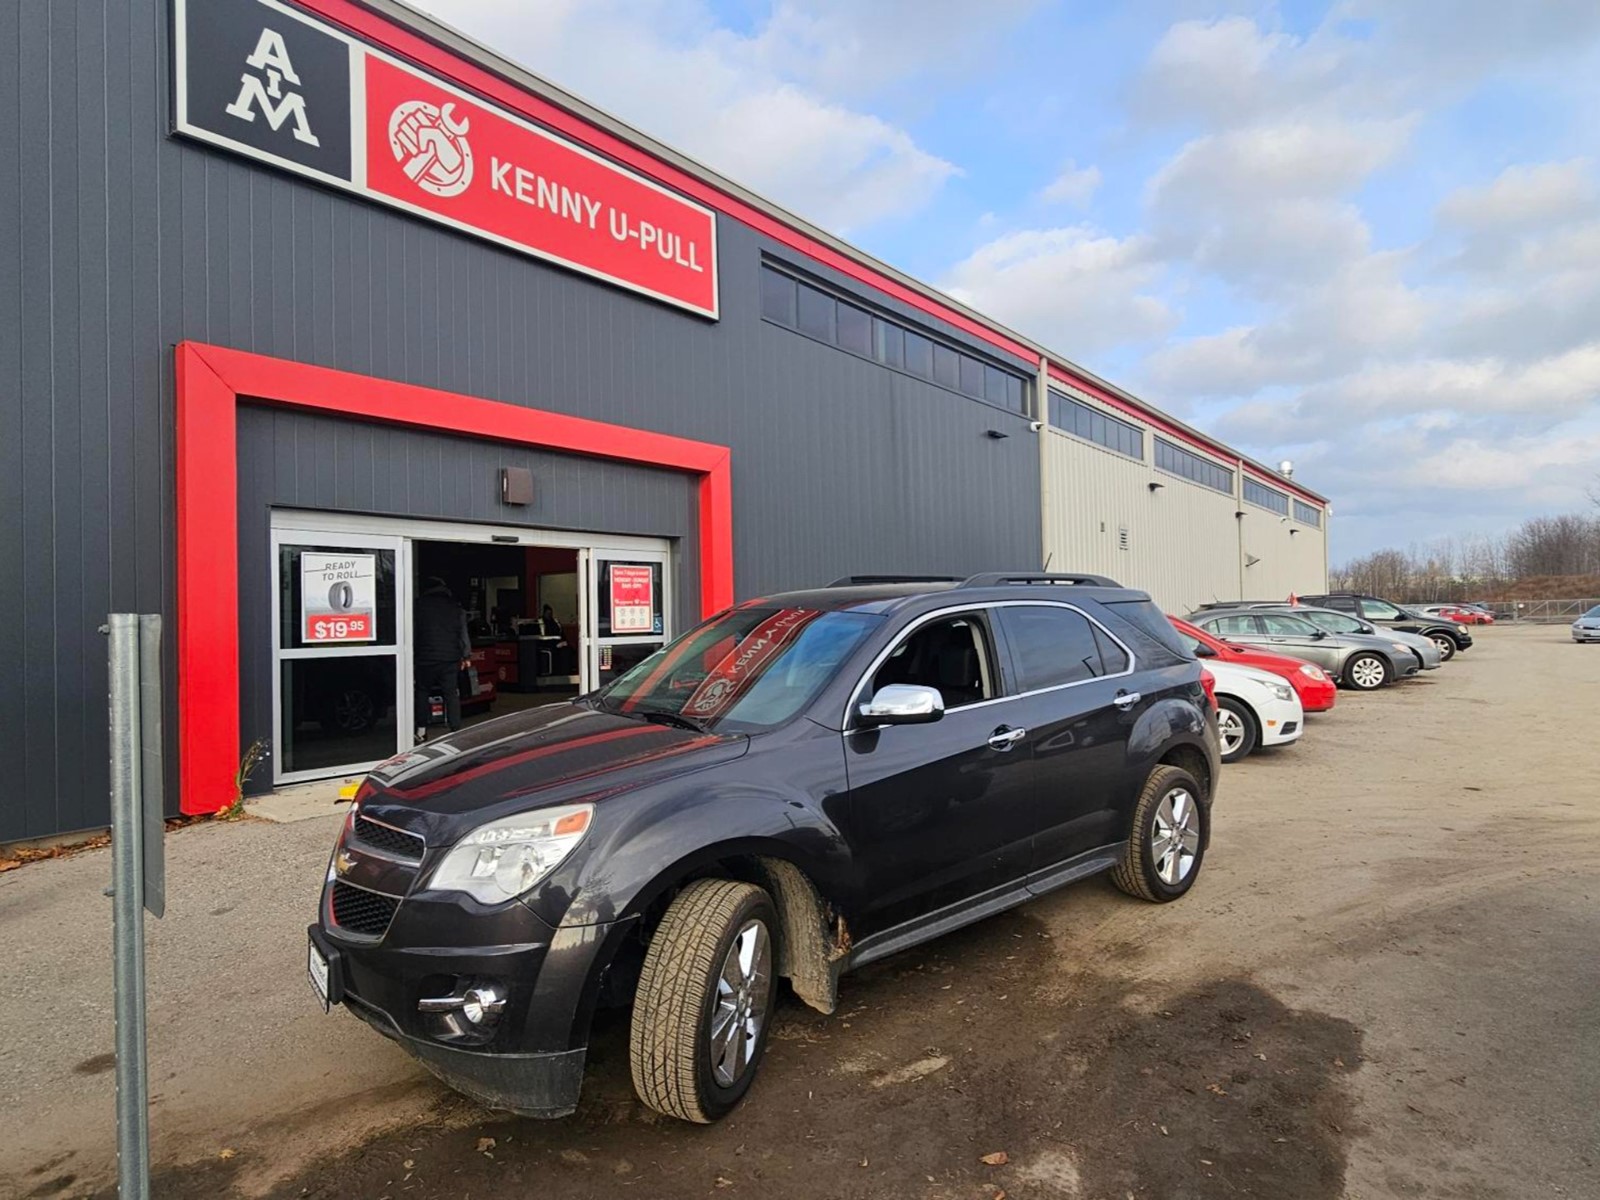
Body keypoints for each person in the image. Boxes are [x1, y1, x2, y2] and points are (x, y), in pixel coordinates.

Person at [414, 576, 470, 743]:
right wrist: (466, 655)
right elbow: (463, 634)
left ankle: (421, 730)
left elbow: (414, 632)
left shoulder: (418, 606)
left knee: (422, 692)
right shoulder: (455, 607)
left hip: (426, 658)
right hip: (450, 658)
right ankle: (455, 730)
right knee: (451, 694)